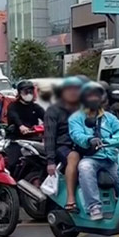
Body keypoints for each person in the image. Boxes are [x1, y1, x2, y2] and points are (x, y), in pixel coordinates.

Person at [68, 82, 119, 220]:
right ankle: (94, 206)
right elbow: (76, 134)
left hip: (111, 156)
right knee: (85, 167)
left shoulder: (109, 117)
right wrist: (89, 139)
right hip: (91, 156)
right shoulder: (76, 118)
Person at [44, 77, 82, 211]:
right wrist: (50, 161)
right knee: (74, 158)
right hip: (62, 146)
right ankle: (70, 199)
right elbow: (49, 136)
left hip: (81, 144)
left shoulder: (82, 109)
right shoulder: (53, 111)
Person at [6, 80, 45, 169]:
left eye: (30, 91)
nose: (28, 94)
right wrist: (21, 126)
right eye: (25, 91)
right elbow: (14, 117)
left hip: (34, 140)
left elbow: (47, 117)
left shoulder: (35, 107)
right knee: (12, 164)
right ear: (19, 93)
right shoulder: (13, 106)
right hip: (17, 140)